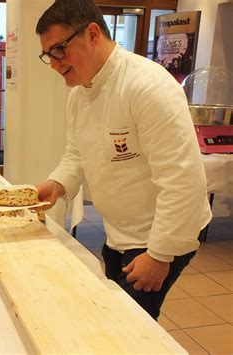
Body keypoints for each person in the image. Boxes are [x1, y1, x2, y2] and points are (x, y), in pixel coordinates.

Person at [35, 0, 211, 320]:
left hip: (162, 233)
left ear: (92, 34)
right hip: (119, 231)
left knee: (127, 326)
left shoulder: (147, 87)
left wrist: (159, 255)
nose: (54, 64)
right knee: (114, 312)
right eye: (48, 54)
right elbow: (77, 151)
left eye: (59, 49)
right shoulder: (79, 93)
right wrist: (57, 183)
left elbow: (183, 179)